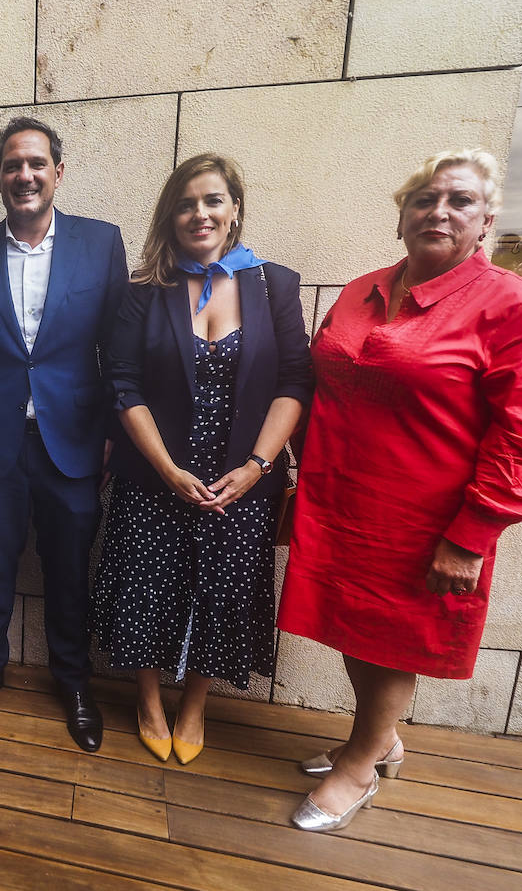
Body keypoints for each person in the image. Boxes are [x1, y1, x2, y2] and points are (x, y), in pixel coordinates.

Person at [276, 149, 522, 832]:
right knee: (350, 630)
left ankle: (361, 764)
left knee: (393, 641)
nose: (438, 211)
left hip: (426, 517)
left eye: (460, 201)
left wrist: (472, 534)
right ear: (402, 217)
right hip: (340, 501)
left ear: (487, 221)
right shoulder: (359, 291)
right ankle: (378, 739)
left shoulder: (520, 309)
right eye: (423, 199)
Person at [94, 154, 312, 765]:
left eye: (213, 200)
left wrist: (258, 467)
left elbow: (294, 381)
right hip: (154, 474)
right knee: (145, 589)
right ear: (171, 214)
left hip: (241, 480)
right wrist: (165, 468)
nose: (200, 214)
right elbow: (123, 384)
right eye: (187, 203)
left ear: (235, 208)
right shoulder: (145, 290)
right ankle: (149, 701)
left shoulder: (276, 285)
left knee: (223, 592)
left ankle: (194, 704)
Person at [0, 116, 129, 752]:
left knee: (70, 568)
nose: (26, 175)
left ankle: (74, 681)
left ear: (58, 173)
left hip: (72, 439)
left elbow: (116, 352)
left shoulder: (101, 245)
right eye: (14, 165)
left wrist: (109, 435)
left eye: (37, 164)